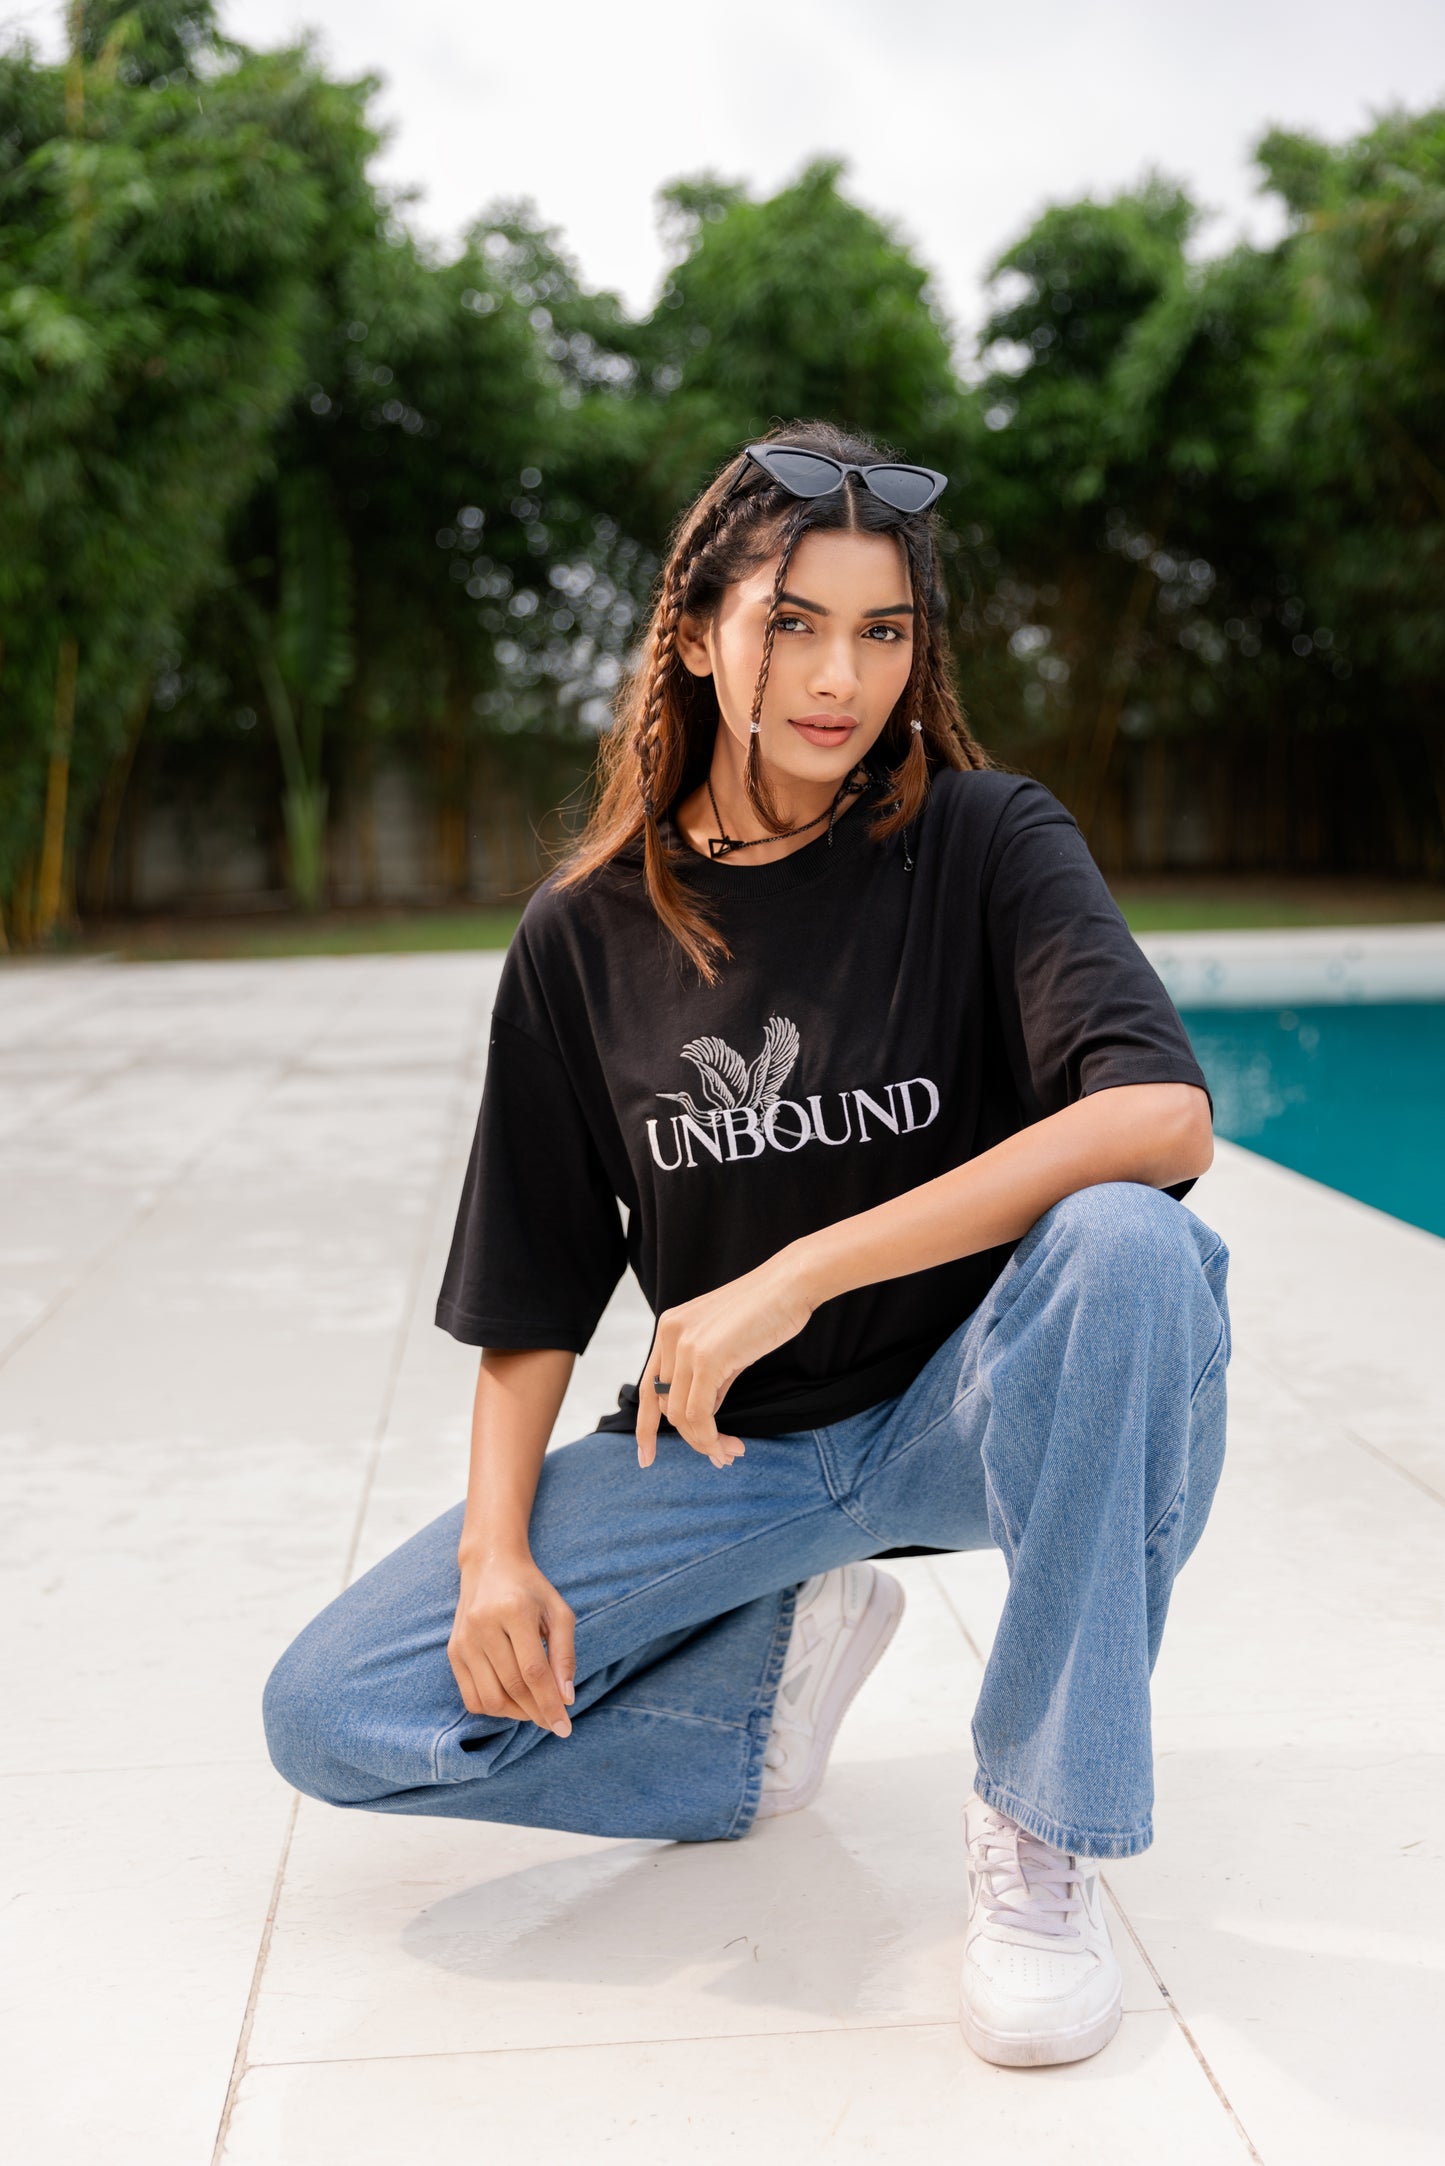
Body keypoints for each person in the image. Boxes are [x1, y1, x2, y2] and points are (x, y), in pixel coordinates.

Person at [262, 419, 1230, 2071]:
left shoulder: (985, 840)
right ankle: (753, 1719)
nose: (836, 676)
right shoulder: (583, 937)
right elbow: (530, 1286)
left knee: (1133, 1248)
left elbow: (1161, 1121)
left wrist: (793, 1272)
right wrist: (498, 1552)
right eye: (791, 621)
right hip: (740, 1456)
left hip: (979, 1417)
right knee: (339, 1710)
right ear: (699, 630)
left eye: (881, 630)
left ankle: (1036, 1835)